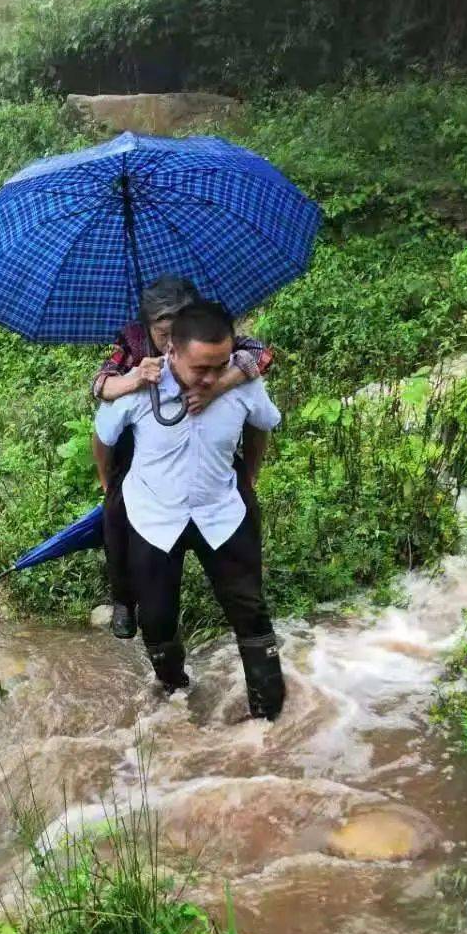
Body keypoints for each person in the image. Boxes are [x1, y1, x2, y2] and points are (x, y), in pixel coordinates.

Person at [93, 299, 285, 720]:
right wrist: (110, 486)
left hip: (221, 514)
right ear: (172, 352)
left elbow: (263, 425)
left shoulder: (240, 382)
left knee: (250, 612)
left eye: (220, 365)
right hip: (155, 517)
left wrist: (248, 478)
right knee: (157, 619)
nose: (211, 377)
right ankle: (177, 698)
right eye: (201, 368)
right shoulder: (139, 386)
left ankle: (269, 717)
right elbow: (103, 434)